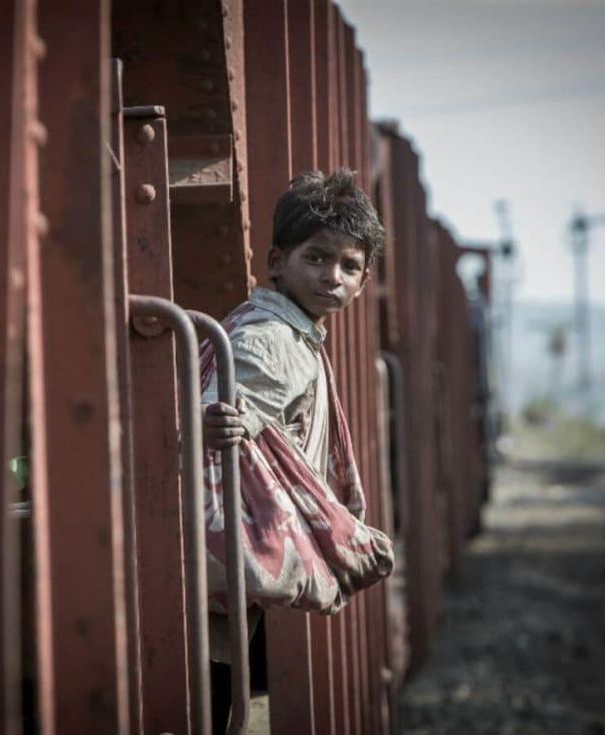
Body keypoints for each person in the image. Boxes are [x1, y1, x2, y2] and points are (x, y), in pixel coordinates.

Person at [200, 169, 393, 733]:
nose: (332, 277)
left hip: (224, 558)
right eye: (316, 258)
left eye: (349, 266)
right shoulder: (273, 338)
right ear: (277, 261)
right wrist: (219, 423)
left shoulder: (281, 328)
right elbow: (222, 417)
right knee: (211, 700)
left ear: (363, 280)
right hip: (225, 553)